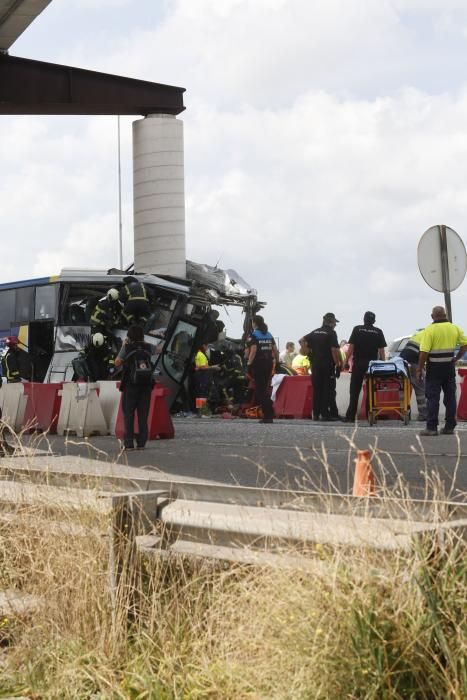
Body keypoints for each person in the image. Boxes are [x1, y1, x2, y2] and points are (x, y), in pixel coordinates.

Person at [416, 306, 467, 436]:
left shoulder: (430, 330)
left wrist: (419, 369)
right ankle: (449, 426)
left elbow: (424, 352)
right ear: (445, 315)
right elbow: (464, 344)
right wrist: (457, 357)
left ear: (432, 316)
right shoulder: (454, 328)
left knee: (433, 398)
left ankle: (431, 428)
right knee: (450, 397)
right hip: (449, 369)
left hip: (434, 369)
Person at [114, 324, 154, 450]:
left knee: (129, 414)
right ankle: (142, 442)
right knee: (143, 414)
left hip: (131, 385)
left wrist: (123, 346)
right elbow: (158, 350)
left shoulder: (127, 347)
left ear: (129, 337)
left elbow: (117, 363)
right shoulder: (148, 347)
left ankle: (129, 443)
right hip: (146, 385)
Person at [342, 311, 386, 423]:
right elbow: (381, 351)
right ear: (374, 321)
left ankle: (350, 417)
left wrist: (346, 361)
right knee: (371, 390)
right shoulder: (378, 331)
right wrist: (383, 365)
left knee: (354, 390)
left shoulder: (357, 329)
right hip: (372, 365)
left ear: (363, 319)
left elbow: (351, 347)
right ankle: (370, 415)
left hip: (358, 364)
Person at [301, 312, 342, 421]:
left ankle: (315, 414)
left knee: (317, 389)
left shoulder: (314, 332)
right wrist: (338, 364)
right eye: (335, 322)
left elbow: (301, 340)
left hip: (315, 365)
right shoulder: (331, 333)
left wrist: (307, 351)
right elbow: (334, 350)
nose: (335, 325)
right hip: (327, 365)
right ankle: (325, 414)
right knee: (327, 390)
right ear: (331, 322)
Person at [246, 315, 279, 424]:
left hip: (258, 364)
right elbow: (275, 350)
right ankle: (269, 413)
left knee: (260, 391)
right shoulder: (269, 334)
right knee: (264, 389)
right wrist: (277, 362)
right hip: (268, 364)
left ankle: (268, 415)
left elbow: (253, 350)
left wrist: (249, 364)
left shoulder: (253, 335)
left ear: (254, 323)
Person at [399, 329, 426, 421]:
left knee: (403, 388)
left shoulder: (419, 334)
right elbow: (426, 353)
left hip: (402, 362)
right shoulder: (432, 334)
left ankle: (403, 414)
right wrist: (421, 368)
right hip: (413, 362)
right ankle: (423, 415)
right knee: (420, 388)